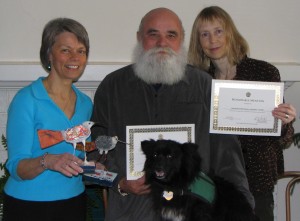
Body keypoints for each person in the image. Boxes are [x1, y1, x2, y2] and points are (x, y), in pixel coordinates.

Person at [90, 7, 254, 221]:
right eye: (153, 34)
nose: (162, 43)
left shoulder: (205, 86)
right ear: (139, 38)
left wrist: (241, 208)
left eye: (171, 35)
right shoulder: (112, 88)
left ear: (182, 39)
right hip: (130, 210)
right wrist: (120, 182)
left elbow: (227, 155)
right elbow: (95, 148)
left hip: (194, 210)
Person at [188, 6, 296, 221]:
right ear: (198, 42)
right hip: (214, 178)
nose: (212, 40)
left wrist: (285, 121)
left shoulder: (263, 71)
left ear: (230, 33)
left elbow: (283, 136)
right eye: (205, 34)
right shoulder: (198, 80)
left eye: (219, 31)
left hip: (257, 176)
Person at [3, 18, 93, 221]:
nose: (75, 57)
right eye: (65, 50)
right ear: (48, 54)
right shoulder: (27, 100)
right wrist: (48, 161)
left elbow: (80, 153)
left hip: (74, 202)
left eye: (81, 51)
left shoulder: (86, 104)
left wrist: (96, 166)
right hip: (28, 206)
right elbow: (16, 167)